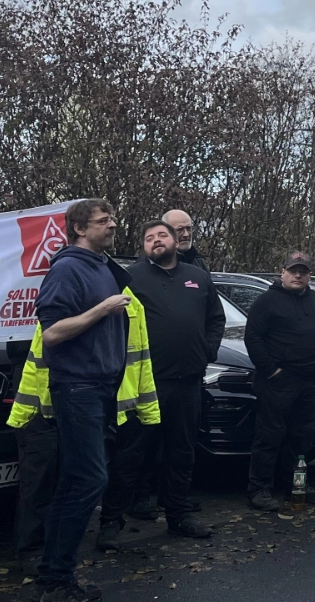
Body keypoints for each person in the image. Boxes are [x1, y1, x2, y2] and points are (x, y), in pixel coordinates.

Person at [98, 220, 222, 545]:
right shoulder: (130, 278)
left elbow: (216, 318)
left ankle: (178, 515)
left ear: (176, 241)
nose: (156, 240)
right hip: (144, 384)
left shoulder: (198, 277)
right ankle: (111, 522)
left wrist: (207, 350)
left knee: (181, 452)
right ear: (143, 246)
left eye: (162, 235)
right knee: (129, 454)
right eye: (149, 237)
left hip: (188, 382)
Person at [34, 198, 133, 602]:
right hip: (77, 388)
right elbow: (52, 333)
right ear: (79, 229)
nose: (113, 225)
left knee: (76, 480)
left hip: (101, 388)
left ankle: (53, 577)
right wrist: (102, 309)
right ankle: (57, 579)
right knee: (90, 479)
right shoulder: (67, 269)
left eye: (112, 219)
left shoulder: (103, 267)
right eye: (103, 221)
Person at [244, 253, 315, 511]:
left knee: (302, 438)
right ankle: (259, 488)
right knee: (269, 436)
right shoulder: (266, 302)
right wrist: (271, 370)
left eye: (303, 271)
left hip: (310, 380)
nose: (298, 275)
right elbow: (253, 338)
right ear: (282, 272)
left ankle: (296, 486)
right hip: (278, 381)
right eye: (293, 270)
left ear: (309, 275)